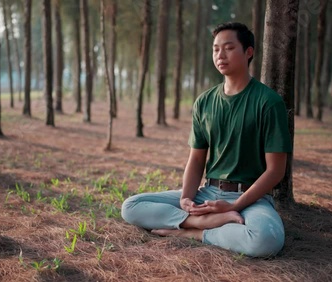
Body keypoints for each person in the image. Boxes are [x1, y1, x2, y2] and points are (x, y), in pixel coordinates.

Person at [121, 22, 292, 257]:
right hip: (208, 194)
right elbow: (197, 158)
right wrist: (186, 199)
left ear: (248, 52)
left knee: (266, 240)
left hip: (250, 198)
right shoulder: (204, 102)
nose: (220, 55)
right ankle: (198, 222)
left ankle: (196, 233)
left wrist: (234, 206)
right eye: (215, 49)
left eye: (229, 48)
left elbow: (275, 171)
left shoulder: (268, 102)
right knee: (130, 207)